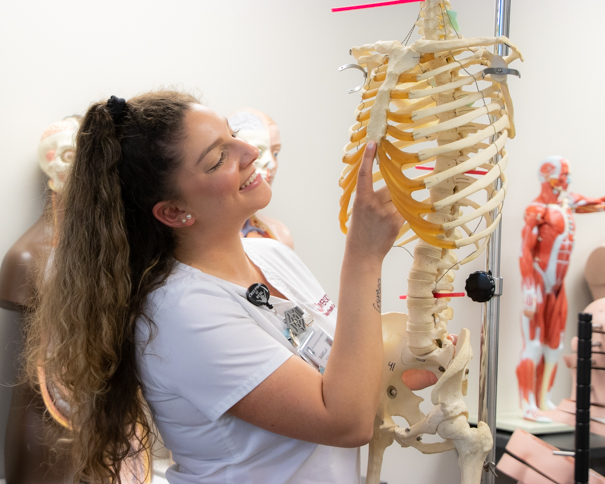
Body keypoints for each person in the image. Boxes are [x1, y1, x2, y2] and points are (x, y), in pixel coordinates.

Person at [25, 91, 409, 483]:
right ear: (174, 211)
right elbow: (345, 422)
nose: (249, 151)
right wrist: (364, 257)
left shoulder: (272, 256)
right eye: (219, 157)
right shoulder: (181, 312)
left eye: (232, 135)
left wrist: (405, 358)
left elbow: (343, 369)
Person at [0, 116, 79, 483]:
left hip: (105, 422)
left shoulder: (108, 252)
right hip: (48, 425)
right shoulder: (27, 259)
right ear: (60, 162)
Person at [516, 155, 605, 422]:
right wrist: (530, 287)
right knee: (532, 344)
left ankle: (545, 400)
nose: (567, 180)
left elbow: (599, 203)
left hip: (557, 288)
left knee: (554, 346)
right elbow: (525, 251)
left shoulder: (568, 203)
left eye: (567, 175)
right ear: (546, 176)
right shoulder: (536, 210)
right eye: (562, 174)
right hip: (538, 284)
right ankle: (526, 403)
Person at [228, 108, 293, 248]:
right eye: (257, 152)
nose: (271, 163)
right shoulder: (204, 240)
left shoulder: (280, 234)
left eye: (275, 153)